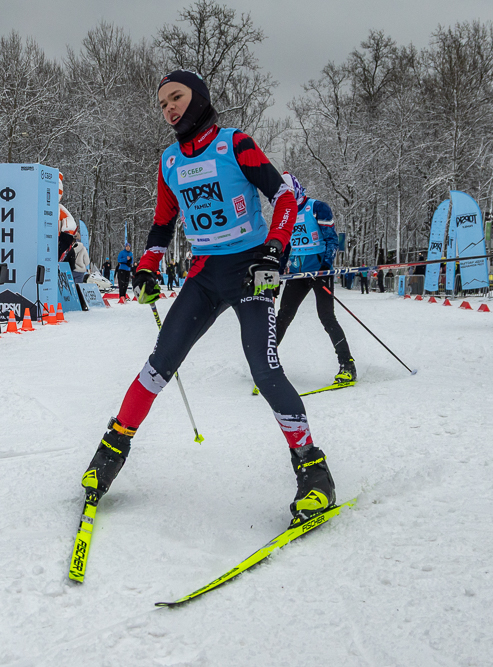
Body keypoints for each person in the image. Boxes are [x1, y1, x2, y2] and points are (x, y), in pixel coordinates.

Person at [80, 70, 336, 526]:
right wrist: (146, 266)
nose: (169, 109)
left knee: (265, 367)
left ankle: (313, 472)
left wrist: (276, 249)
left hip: (249, 270)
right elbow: (163, 224)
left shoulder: (236, 144)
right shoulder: (169, 163)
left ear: (197, 97)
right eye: (162, 105)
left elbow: (283, 195)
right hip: (203, 274)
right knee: (158, 365)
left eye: (175, 98)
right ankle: (109, 454)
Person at [275, 172, 355, 383]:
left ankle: (347, 365)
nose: (287, 199)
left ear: (297, 190)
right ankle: (265, 365)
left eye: (289, 194)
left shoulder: (317, 207)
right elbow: (286, 246)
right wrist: (280, 269)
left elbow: (331, 239)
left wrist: (325, 266)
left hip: (319, 271)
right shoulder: (285, 213)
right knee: (283, 316)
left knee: (327, 317)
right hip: (298, 272)